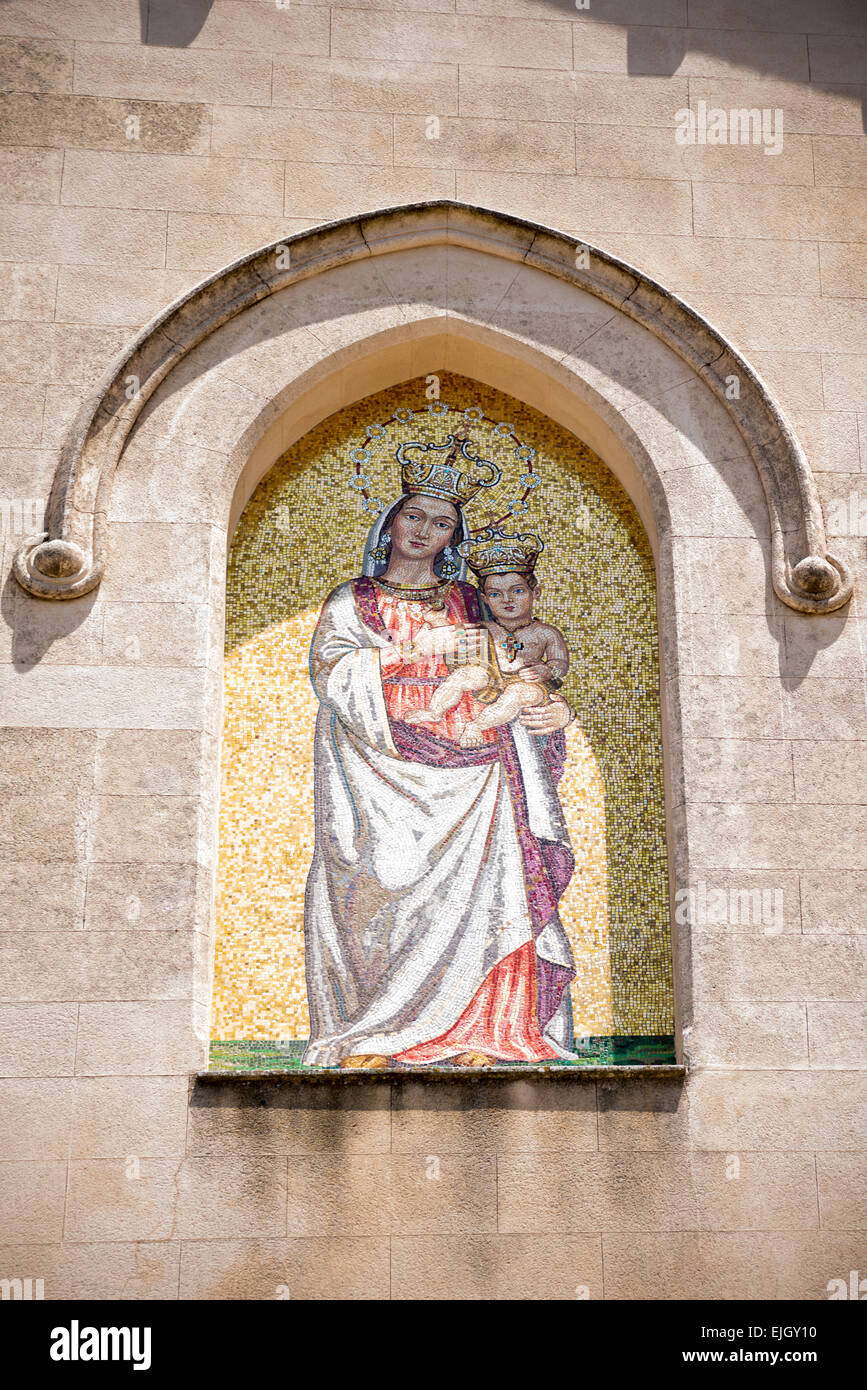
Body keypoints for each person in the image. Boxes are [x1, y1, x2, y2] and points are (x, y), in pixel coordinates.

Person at [302, 436, 577, 1068]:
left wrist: (553, 709)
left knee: (497, 894)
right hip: (378, 771)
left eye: (443, 523)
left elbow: (517, 666)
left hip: (479, 776)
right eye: (415, 515)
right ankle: (375, 1032)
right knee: (378, 882)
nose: (426, 530)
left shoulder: (472, 602)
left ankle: (488, 1032)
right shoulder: (355, 600)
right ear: (393, 519)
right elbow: (332, 674)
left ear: (455, 536)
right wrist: (412, 657)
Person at [403, 529, 570, 748]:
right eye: (495, 594)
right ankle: (435, 710)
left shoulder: (546, 632)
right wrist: (437, 622)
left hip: (526, 682)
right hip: (491, 678)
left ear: (535, 593)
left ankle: (476, 726)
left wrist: (547, 670)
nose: (506, 600)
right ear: (485, 598)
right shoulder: (485, 627)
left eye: (517, 591)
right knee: (466, 674)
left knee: (517, 693)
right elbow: (455, 636)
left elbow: (560, 664)